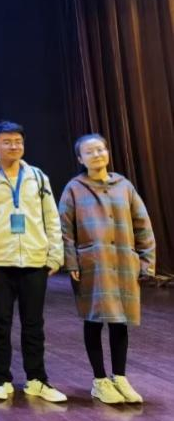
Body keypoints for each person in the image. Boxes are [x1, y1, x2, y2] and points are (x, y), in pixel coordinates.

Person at [0, 120, 67, 402]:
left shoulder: (38, 177)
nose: (14, 146)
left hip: (35, 259)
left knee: (34, 323)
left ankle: (37, 379)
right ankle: (1, 379)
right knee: (0, 323)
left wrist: (55, 254)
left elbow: (51, 217)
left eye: (18, 141)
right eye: (7, 142)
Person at [59, 133, 155, 404]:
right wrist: (71, 261)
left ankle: (120, 377)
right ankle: (100, 380)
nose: (97, 155)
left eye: (101, 149)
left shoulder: (124, 185)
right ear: (80, 159)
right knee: (93, 320)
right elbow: (64, 229)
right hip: (93, 264)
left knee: (120, 321)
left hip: (123, 262)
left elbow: (143, 225)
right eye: (89, 152)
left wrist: (146, 261)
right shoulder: (74, 188)